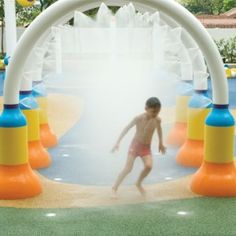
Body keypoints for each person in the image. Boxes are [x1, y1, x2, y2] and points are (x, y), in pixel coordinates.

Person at [111, 97, 166, 197]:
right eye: (153, 111)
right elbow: (126, 129)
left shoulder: (157, 120)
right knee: (128, 168)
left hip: (146, 147)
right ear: (146, 108)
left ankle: (138, 183)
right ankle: (114, 188)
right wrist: (117, 142)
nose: (156, 114)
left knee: (149, 166)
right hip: (135, 145)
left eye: (158, 112)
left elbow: (159, 130)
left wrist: (161, 143)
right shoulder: (138, 118)